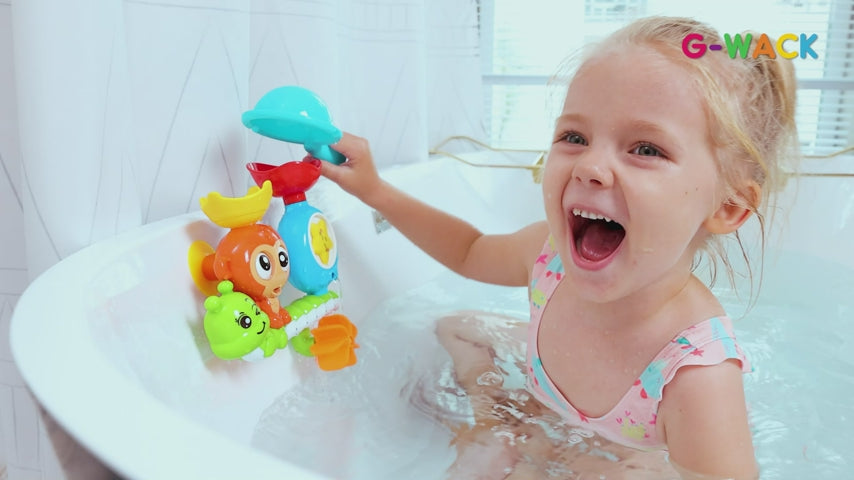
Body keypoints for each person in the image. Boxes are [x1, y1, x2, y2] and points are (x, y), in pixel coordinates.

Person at [319, 16, 799, 479]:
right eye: (575, 137)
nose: (590, 165)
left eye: (645, 149)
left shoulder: (696, 375)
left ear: (728, 207)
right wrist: (375, 191)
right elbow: (468, 251)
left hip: (624, 459)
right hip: (543, 408)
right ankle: (496, 426)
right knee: (458, 327)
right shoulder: (548, 259)